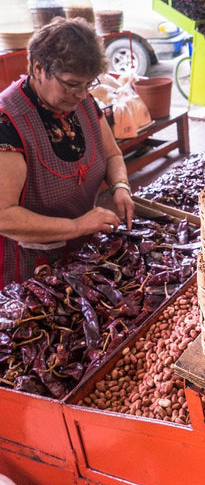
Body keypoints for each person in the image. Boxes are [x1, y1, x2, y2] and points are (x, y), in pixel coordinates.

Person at [0, 17, 135, 287]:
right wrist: (77, 226)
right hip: (30, 266)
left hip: (82, 253)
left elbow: (112, 155)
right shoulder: (8, 122)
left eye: (88, 84)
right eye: (71, 84)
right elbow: (4, 215)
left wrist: (121, 186)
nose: (82, 94)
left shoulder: (82, 103)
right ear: (38, 68)